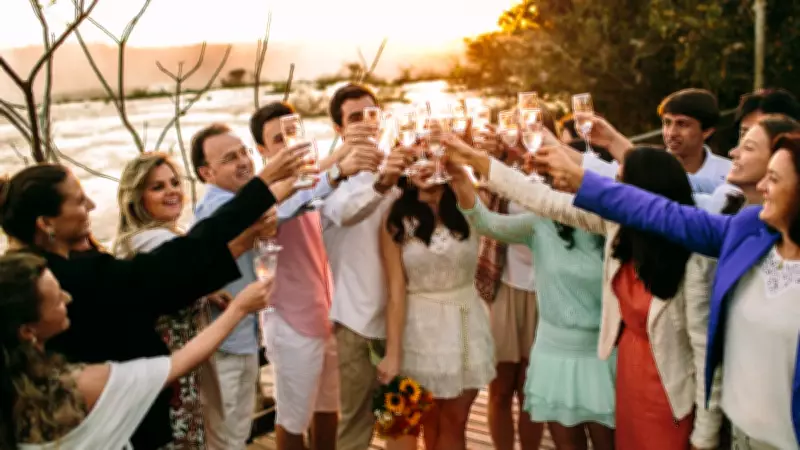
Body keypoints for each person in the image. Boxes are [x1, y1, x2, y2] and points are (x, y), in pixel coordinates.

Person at [0, 147, 307, 448]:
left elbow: (165, 277)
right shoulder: (62, 278)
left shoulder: (42, 268)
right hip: (112, 423)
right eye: (79, 201)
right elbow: (168, 268)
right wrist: (260, 188)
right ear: (46, 223)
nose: (92, 206)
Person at [442, 135, 723, 450]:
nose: (608, 192)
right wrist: (472, 159)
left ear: (643, 194)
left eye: (617, 184)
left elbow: (706, 353)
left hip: (669, 388)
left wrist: (705, 436)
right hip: (627, 374)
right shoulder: (615, 226)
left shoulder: (695, 258)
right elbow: (537, 197)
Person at [530, 132, 800, 450]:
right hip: (740, 434)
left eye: (774, 178)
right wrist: (579, 179)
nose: (763, 188)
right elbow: (661, 211)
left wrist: (703, 434)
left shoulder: (720, 245)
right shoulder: (748, 230)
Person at [0, 251, 274, 449]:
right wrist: (240, 308)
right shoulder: (77, 387)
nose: (68, 298)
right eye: (57, 298)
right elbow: (179, 364)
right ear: (27, 331)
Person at [449, 162, 615, 450]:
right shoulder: (541, 223)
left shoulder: (613, 227)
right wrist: (460, 179)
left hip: (600, 355)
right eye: (558, 176)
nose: (562, 181)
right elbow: (485, 222)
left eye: (570, 175)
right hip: (554, 353)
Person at [378, 162, 495, 450]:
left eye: (430, 154)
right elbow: (395, 290)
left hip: (466, 325)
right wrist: (392, 354)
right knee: (402, 425)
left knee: (454, 422)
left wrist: (457, 169)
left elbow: (484, 192)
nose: (424, 164)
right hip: (416, 329)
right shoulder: (394, 216)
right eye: (416, 156)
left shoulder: (468, 202)